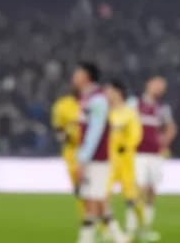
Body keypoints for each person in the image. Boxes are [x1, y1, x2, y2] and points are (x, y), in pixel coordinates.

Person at [72, 63, 127, 243]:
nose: (74, 76)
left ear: (87, 76)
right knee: (94, 201)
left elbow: (95, 131)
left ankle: (89, 239)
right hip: (92, 157)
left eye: (77, 73)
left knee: (95, 201)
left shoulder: (98, 100)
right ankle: (118, 238)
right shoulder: (87, 99)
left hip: (97, 159)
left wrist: (83, 158)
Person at [128, 76, 178, 241]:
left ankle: (145, 228)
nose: (159, 89)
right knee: (139, 189)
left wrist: (164, 142)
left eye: (162, 87)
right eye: (157, 85)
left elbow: (171, 127)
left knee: (151, 191)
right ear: (148, 85)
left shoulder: (163, 108)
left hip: (155, 155)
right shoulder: (135, 104)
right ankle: (131, 227)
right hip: (138, 154)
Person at [104, 80, 144, 237]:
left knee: (131, 197)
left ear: (118, 92)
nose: (107, 94)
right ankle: (112, 231)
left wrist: (126, 146)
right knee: (103, 196)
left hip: (125, 160)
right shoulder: (106, 112)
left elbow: (136, 134)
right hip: (107, 161)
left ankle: (134, 228)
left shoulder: (129, 112)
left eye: (109, 90)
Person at [52, 82, 84, 215]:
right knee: (78, 187)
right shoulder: (62, 105)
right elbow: (58, 127)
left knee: (92, 188)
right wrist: (63, 137)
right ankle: (87, 217)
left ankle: (95, 218)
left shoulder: (92, 104)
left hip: (91, 149)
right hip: (71, 149)